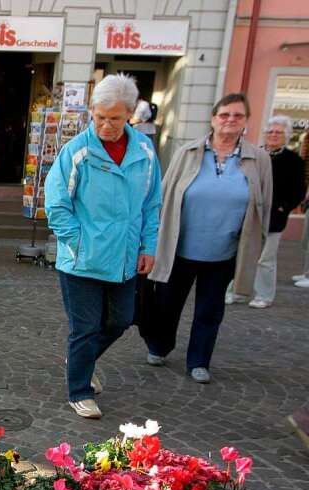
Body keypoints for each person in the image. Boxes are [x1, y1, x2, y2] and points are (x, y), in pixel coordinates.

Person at [44, 74, 162, 419]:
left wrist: (148, 245)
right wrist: (77, 241)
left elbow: (152, 203)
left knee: (122, 319)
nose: (106, 125)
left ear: (130, 116)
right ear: (91, 113)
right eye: (100, 117)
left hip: (124, 257)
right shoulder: (77, 150)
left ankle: (81, 359)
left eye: (115, 118)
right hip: (81, 259)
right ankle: (79, 389)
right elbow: (56, 203)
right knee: (85, 327)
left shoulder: (144, 150)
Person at [146, 93, 272, 384]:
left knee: (210, 310)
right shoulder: (188, 152)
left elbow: (262, 205)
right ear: (213, 119)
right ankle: (159, 346)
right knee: (167, 304)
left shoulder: (258, 159)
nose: (230, 120)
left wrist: (258, 245)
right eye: (225, 114)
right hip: (179, 247)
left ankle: (199, 361)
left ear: (246, 122)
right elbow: (163, 196)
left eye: (238, 116)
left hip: (224, 252)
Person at [231, 115, 304, 307]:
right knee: (240, 254)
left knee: (266, 259)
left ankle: (263, 295)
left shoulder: (293, 160)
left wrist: (284, 208)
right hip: (248, 213)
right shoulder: (253, 154)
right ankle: (237, 292)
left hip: (274, 217)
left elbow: (298, 191)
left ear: (287, 136)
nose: (273, 135)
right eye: (270, 131)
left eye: (278, 132)